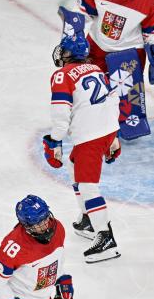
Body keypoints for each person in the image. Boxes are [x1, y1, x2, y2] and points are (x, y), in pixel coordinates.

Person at [43, 14, 121, 263]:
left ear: (67, 55)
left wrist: (54, 140)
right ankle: (89, 218)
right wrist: (114, 137)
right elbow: (114, 100)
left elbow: (60, 112)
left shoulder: (62, 75)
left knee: (88, 185)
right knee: (74, 166)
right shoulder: (96, 69)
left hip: (90, 134)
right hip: (105, 129)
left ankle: (105, 237)